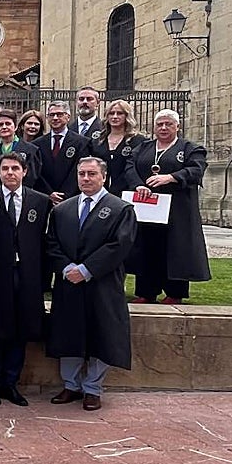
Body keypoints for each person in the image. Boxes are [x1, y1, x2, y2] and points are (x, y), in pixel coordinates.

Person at [46, 157, 137, 411]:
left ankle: (92, 388)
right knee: (69, 333)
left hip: (102, 283)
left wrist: (87, 270)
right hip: (68, 283)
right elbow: (51, 243)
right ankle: (71, 385)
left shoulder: (120, 209)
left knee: (101, 333)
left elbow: (119, 245)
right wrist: (66, 268)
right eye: (82, 174)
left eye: (91, 174)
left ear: (104, 177)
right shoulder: (62, 210)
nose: (85, 179)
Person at [0, 153, 51, 407]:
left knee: (22, 330)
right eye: (5, 168)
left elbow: (43, 242)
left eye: (15, 168)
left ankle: (11, 383)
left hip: (28, 276)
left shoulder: (40, 202)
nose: (10, 173)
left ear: (24, 172)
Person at [124, 110, 211, 304]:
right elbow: (129, 167)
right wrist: (138, 184)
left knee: (175, 249)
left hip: (177, 209)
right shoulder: (144, 147)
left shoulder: (190, 148)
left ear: (177, 127)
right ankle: (146, 292)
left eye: (168, 124)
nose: (163, 128)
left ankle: (175, 292)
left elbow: (196, 169)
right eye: (160, 124)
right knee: (147, 247)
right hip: (148, 207)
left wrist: (171, 177)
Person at [37, 101, 92, 205]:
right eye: (51, 115)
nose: (55, 118)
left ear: (68, 117)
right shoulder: (38, 144)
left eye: (59, 114)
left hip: (71, 199)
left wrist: (65, 195)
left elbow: (78, 169)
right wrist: (49, 193)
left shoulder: (81, 142)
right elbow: (37, 172)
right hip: (44, 198)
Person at [91, 99, 146, 198]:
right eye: (111, 113)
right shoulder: (98, 141)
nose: (115, 117)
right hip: (100, 192)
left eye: (119, 113)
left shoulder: (138, 141)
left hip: (127, 192)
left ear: (127, 116)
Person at [0, 110, 41, 193]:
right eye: (0, 124)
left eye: (8, 124)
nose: (4, 127)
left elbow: (32, 177)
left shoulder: (31, 150)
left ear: (16, 127)